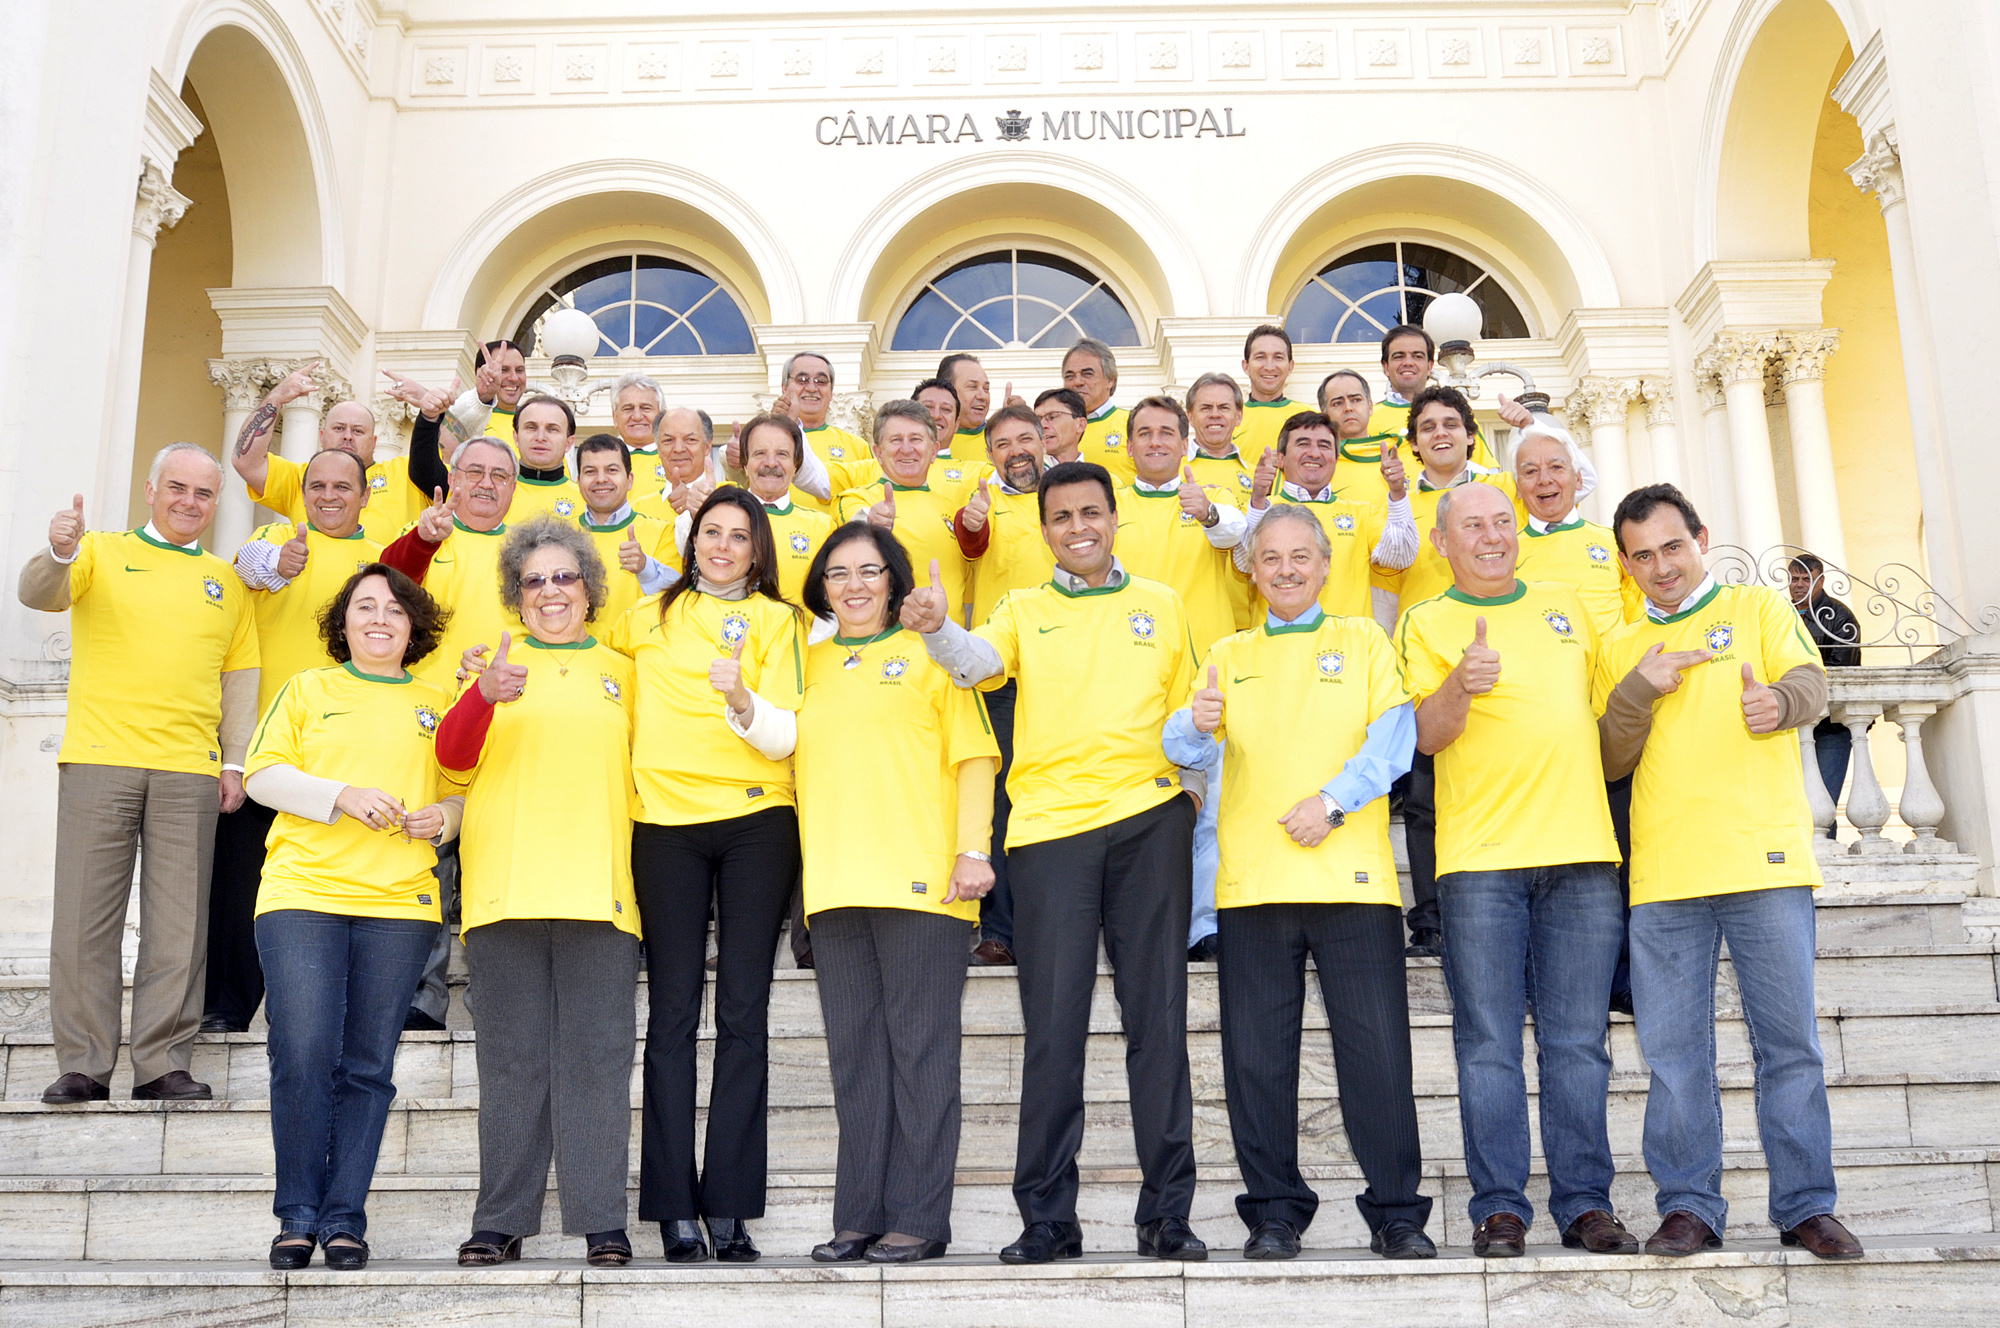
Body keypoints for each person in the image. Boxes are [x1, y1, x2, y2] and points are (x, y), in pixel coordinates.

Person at [903, 460, 1208, 1267]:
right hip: (1048, 835)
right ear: (1043, 533)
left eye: (1092, 513)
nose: (1079, 527)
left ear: (1115, 519)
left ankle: (1167, 1216)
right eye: (1063, 517)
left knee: (1158, 1028)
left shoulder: (1163, 605)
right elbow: (973, 665)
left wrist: (1190, 796)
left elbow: (1190, 717)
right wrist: (937, 625)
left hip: (1148, 824)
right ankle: (1048, 1219)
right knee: (1054, 1035)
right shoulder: (1020, 607)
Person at [1596, 484, 1863, 1261]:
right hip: (1666, 876)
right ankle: (1687, 1208)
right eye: (1642, 555)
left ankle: (1808, 1207)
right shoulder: (1621, 643)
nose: (1661, 566)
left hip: (1764, 858)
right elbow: (1611, 755)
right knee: (1675, 1054)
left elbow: (1812, 684)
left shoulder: (1757, 608)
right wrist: (1641, 690)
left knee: (1790, 1046)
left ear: (1700, 540)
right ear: (1626, 564)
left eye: (1672, 547)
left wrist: (1777, 704)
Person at [1162, 505, 1434, 1262]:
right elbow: (1180, 745)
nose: (1284, 568)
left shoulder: (1365, 640)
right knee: (1257, 1063)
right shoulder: (1226, 650)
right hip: (1252, 887)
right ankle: (1274, 1214)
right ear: (1251, 567)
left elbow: (1395, 740)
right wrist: (1193, 719)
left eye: (1299, 556)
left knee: (1377, 1056)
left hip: (1355, 883)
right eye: (1270, 557)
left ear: (1322, 564)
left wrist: (1333, 802)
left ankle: (1398, 1214)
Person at [1396, 482, 1637, 1259]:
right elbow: (1426, 739)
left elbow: (1612, 721)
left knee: (1577, 1044)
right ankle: (1499, 1208)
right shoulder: (1426, 621)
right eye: (1474, 525)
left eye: (1503, 521)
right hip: (1478, 867)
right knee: (1488, 1044)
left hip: (1582, 859)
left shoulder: (1570, 605)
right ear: (1442, 543)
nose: (1493, 535)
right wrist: (1459, 685)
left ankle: (1585, 1205)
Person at [18, 444, 259, 1104]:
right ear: (151, 491)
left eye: (203, 493)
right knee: (84, 921)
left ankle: (161, 1063)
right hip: (100, 757)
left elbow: (239, 679)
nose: (189, 501)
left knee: (179, 927)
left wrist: (234, 760)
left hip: (189, 769)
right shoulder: (98, 552)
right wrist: (59, 551)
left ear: (215, 504)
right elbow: (38, 593)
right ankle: (85, 1064)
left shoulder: (226, 580)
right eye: (177, 488)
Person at [609, 486, 806, 1264]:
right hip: (664, 825)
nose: (722, 547)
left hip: (759, 821)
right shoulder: (645, 618)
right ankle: (671, 1208)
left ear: (759, 550)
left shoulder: (782, 622)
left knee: (745, 1014)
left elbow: (786, 734)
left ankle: (729, 1205)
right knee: (672, 1015)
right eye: (710, 534)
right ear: (692, 544)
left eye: (738, 537)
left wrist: (744, 701)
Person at [439, 516, 642, 1268]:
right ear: (514, 596)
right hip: (505, 891)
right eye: (534, 581)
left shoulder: (627, 667)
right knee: (512, 1064)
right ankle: (501, 1219)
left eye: (564, 577)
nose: (550, 591)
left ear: (588, 588)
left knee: (597, 1059)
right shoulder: (486, 667)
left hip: (602, 893)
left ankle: (602, 1221)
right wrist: (482, 694)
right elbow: (452, 763)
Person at [794, 524, 1000, 1263]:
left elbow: (977, 757)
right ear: (822, 587)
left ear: (893, 582)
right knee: (856, 1057)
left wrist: (973, 850)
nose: (854, 585)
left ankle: (919, 1216)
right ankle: (859, 1214)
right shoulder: (804, 666)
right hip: (836, 886)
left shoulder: (931, 655)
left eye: (870, 572)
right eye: (839, 573)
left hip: (923, 886)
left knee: (921, 1055)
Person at [245, 564, 458, 1271]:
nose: (379, 619)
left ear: (414, 626)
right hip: (303, 894)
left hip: (399, 903)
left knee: (368, 1065)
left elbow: (466, 790)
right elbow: (262, 774)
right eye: (364, 607)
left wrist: (445, 817)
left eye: (395, 610)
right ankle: (296, 1213)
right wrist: (339, 794)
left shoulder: (441, 700)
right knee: (303, 1052)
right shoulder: (308, 689)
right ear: (342, 624)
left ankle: (343, 1219)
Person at [204, 450, 384, 1034]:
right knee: (238, 888)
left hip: (348, 760)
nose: (328, 496)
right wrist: (281, 561)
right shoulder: (278, 536)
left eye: (342, 487)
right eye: (317, 486)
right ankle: (225, 1008)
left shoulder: (382, 558)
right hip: (266, 754)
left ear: (364, 494)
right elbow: (252, 565)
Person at [1382, 387, 1520, 959]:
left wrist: (1528, 422)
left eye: (1451, 423)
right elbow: (1386, 583)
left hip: (1496, 658)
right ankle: (1433, 922)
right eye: (1427, 426)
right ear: (1414, 443)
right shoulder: (1394, 503)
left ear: (1469, 433)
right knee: (1423, 801)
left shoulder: (1500, 491)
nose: (1440, 433)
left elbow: (1571, 481)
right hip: (1425, 658)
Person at [1513, 424, 1644, 1012]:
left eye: (1555, 467)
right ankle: (1534, 979)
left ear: (1576, 476)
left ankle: (1622, 978)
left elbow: (1644, 621)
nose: (1545, 480)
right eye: (1531, 471)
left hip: (1609, 726)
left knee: (1619, 853)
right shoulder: (1506, 549)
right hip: (1536, 729)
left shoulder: (1608, 544)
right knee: (1538, 862)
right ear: (1516, 485)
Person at [1115, 395, 1250, 962]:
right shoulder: (1110, 505)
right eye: (1143, 433)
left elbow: (1240, 540)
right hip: (1128, 682)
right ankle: (1134, 930)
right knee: (1135, 820)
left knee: (1211, 814)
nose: (1155, 442)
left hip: (1207, 684)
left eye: (1167, 432)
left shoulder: (1214, 500)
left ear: (1186, 441)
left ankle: (1202, 926)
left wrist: (1210, 513)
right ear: (1128, 446)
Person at [952, 405, 1058, 968]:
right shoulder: (980, 504)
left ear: (1046, 440)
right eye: (1002, 444)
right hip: (1003, 680)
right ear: (989, 454)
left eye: (1026, 439)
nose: (1016, 451)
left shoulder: (1070, 499)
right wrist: (973, 521)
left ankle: (1063, 923)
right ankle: (1000, 930)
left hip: (1072, 675)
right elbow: (971, 542)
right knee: (1002, 802)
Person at [1239, 411, 1417, 622]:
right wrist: (1258, 499)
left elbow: (1399, 558)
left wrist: (1397, 493)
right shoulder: (1259, 510)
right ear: (1281, 457)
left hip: (1348, 647)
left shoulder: (1362, 513)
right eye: (1303, 444)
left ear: (1336, 457)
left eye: (1324, 446)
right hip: (1278, 646)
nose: (1314, 453)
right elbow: (1243, 563)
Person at [233, 361, 435, 547]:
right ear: (322, 436)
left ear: (374, 442)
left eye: (357, 431)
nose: (347, 437)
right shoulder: (301, 478)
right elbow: (246, 462)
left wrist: (432, 405)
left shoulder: (407, 473)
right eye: (339, 428)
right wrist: (275, 398)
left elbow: (460, 457)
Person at [837, 401, 969, 628]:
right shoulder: (855, 499)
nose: (906, 449)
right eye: (896, 440)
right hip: (886, 648)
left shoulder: (954, 509)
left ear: (934, 451)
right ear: (878, 452)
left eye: (916, 439)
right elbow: (856, 526)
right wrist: (871, 525)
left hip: (947, 649)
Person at [1366, 325, 1521, 465]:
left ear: (1429, 366)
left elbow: (1487, 474)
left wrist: (1526, 428)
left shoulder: (1459, 416)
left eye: (1417, 356)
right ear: (1386, 367)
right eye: (1399, 356)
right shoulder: (1366, 420)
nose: (1408, 362)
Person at [1789, 552, 1863, 827]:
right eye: (1793, 578)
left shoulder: (1840, 617)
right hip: (1795, 723)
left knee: (1823, 803)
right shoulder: (1783, 614)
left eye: (1805, 579)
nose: (1798, 585)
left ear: (1820, 580)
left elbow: (1842, 670)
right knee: (1795, 801)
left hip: (1832, 726)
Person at [574, 433, 680, 623]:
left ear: (630, 479)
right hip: (577, 651)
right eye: (590, 471)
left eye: (612, 470)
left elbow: (678, 598)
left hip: (636, 651)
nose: (600, 479)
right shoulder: (559, 536)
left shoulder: (664, 533)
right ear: (578, 481)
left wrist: (645, 566)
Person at [736, 412, 834, 605]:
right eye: (760, 453)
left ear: (795, 466)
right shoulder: (723, 520)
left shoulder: (823, 527)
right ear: (745, 465)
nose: (771, 463)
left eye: (782, 454)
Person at [1230, 325, 1311, 459]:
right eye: (1260, 357)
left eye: (1278, 357)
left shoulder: (1308, 417)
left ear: (1290, 366)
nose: (1269, 367)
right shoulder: (1229, 419)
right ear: (1246, 366)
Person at [1061, 338, 1134, 483]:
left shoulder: (1133, 423)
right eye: (1070, 376)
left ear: (1110, 380)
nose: (1078, 382)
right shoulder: (1051, 428)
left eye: (1087, 374)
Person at [507, 394, 584, 522]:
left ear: (569, 443)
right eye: (531, 427)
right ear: (516, 438)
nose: (540, 437)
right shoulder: (495, 494)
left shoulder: (585, 500)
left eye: (552, 429)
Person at [448, 340, 530, 445]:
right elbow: (454, 418)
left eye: (519, 370)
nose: (514, 378)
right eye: (503, 370)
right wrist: (484, 398)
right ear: (480, 373)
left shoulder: (537, 424)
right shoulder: (468, 421)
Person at [610, 371, 669, 502]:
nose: (637, 416)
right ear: (615, 418)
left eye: (646, 408)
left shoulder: (677, 457)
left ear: (661, 416)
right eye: (628, 409)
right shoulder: (599, 459)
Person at [1034, 387, 1088, 466]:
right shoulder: (1026, 475)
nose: (1042, 425)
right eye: (1038, 420)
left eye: (1052, 417)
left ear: (1080, 425)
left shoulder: (1098, 476)